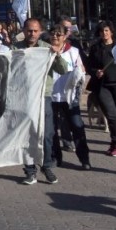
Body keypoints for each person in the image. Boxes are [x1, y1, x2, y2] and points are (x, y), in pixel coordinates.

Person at [16, 18, 68, 185]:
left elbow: (63, 69)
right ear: (23, 30)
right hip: (23, 97)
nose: (32, 34)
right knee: (27, 135)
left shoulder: (46, 49)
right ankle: (30, 170)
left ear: (40, 32)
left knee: (47, 134)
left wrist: (57, 55)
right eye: (29, 30)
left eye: (35, 31)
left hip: (43, 96)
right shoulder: (15, 49)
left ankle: (47, 166)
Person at [48, 26, 92, 171]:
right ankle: (56, 158)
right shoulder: (45, 51)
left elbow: (81, 71)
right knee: (52, 130)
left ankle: (84, 158)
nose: (55, 37)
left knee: (77, 127)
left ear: (64, 37)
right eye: (53, 34)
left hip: (69, 97)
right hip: (51, 96)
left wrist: (80, 73)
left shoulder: (73, 52)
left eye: (58, 34)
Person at [87, 21, 116, 157]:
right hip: (103, 86)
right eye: (101, 31)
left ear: (111, 32)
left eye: (106, 30)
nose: (104, 33)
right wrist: (96, 72)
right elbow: (89, 66)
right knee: (111, 115)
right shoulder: (95, 48)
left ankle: (114, 144)